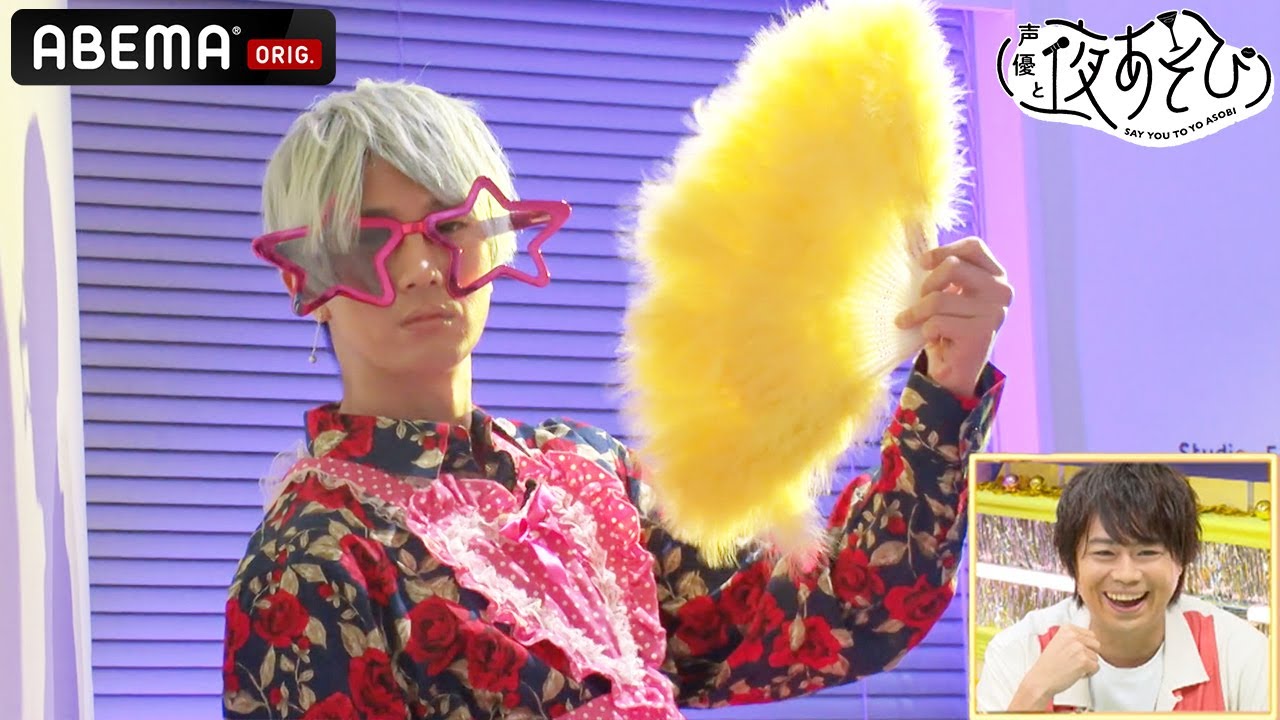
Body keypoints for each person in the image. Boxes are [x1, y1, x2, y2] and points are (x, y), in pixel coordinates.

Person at [222, 78, 1011, 719]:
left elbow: (842, 611)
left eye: (449, 226)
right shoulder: (310, 564)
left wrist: (948, 380)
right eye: (370, 241)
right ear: (306, 280)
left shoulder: (584, 476)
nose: (422, 267)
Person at [975, 463, 1271, 713]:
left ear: (1181, 560)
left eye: (1147, 552)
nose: (1126, 575)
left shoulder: (1242, 653)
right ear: (1072, 563)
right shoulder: (1018, 651)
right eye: (1104, 553)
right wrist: (1035, 693)